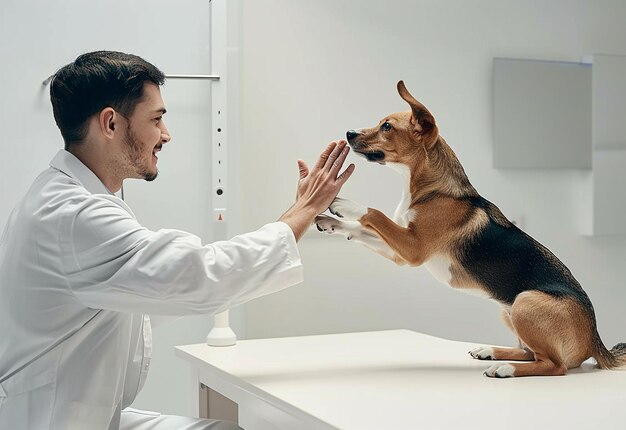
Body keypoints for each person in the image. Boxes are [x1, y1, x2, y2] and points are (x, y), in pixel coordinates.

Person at [0, 51, 355, 430]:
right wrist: (303, 212)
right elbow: (198, 276)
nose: (166, 135)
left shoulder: (66, 196)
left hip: (74, 411)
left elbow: (156, 287)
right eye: (156, 119)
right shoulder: (73, 215)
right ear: (110, 123)